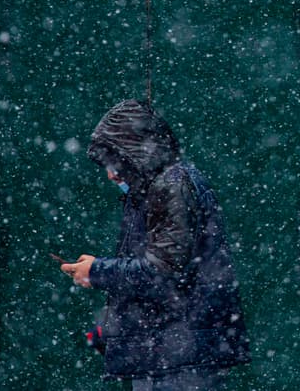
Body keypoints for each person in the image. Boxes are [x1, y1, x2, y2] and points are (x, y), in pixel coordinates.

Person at [59, 99, 250, 391]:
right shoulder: (155, 186)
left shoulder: (171, 185)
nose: (111, 175)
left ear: (134, 154)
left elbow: (164, 270)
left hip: (178, 360)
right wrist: (115, 332)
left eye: (114, 162)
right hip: (170, 355)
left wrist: (98, 271)